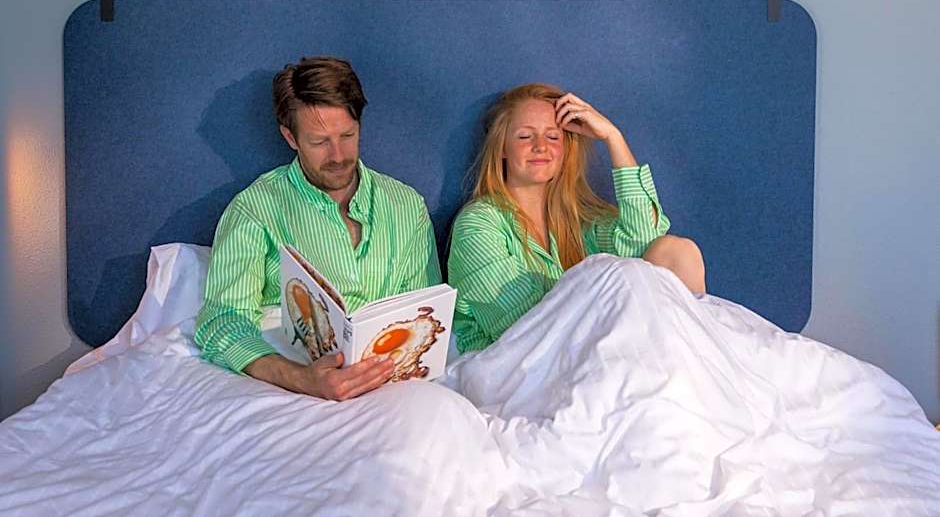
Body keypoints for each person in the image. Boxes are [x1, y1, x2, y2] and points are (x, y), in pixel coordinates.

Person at [195, 56, 441, 400]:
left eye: (347, 135)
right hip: (296, 387)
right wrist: (303, 380)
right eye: (319, 142)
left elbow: (425, 311)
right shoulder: (255, 209)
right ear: (290, 137)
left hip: (391, 388)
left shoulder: (406, 205)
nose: (338, 155)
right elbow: (222, 322)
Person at [448, 82, 705, 353]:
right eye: (525, 136)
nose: (540, 146)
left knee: (677, 252)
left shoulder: (577, 223)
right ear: (502, 148)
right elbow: (522, 326)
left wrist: (613, 138)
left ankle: (690, 365)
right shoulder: (477, 224)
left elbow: (646, 238)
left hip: (586, 349)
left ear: (565, 149)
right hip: (518, 362)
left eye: (552, 137)